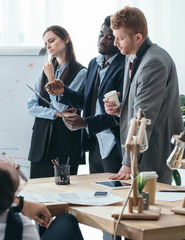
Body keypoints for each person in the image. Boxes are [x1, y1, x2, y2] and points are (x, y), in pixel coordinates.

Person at [104, 7, 184, 184]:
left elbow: (144, 117)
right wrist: (121, 110)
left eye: (120, 38)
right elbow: (138, 104)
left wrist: (128, 162)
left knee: (152, 208)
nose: (115, 43)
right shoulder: (131, 55)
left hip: (153, 152)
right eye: (115, 37)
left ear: (138, 37)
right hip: (141, 152)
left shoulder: (153, 62)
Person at [45, 16, 124, 174]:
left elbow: (119, 113)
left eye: (109, 38)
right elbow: (87, 102)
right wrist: (64, 91)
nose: (102, 40)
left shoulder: (124, 66)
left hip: (113, 144)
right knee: (96, 192)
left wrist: (85, 123)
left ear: (118, 40)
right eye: (101, 35)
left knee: (116, 193)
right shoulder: (94, 63)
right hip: (93, 142)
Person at [27, 25, 87, 179]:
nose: (48, 46)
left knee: (62, 193)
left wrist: (52, 78)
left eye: (51, 40)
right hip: (40, 143)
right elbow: (31, 107)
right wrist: (55, 114)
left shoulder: (81, 72)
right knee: (38, 193)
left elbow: (61, 104)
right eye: (46, 43)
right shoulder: (45, 71)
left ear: (66, 39)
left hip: (64, 143)